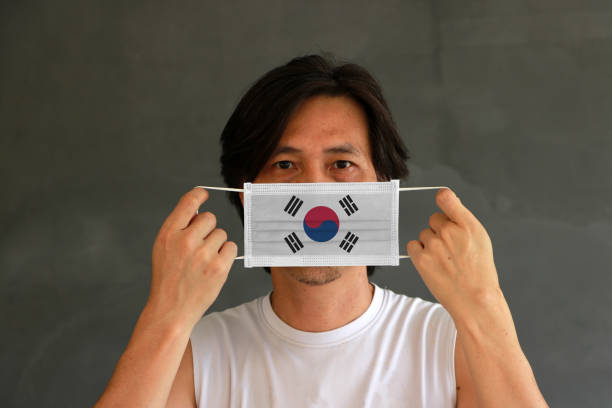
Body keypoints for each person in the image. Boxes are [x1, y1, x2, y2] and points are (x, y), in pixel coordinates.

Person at [95, 54, 548, 407]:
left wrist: (485, 307)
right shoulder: (194, 353)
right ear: (245, 193)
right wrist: (165, 316)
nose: (315, 191)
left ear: (382, 186)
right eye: (285, 164)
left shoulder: (454, 343)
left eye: (342, 165)